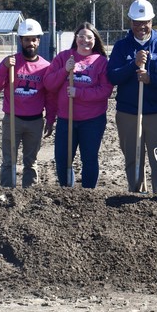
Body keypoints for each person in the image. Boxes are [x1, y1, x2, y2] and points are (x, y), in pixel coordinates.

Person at [107, 0, 157, 194]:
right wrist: (132, 65)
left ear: (152, 21)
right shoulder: (122, 47)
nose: (141, 26)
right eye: (137, 22)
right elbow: (112, 75)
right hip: (129, 112)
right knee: (133, 157)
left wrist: (151, 79)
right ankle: (135, 193)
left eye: (145, 21)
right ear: (130, 22)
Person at [43, 22, 113, 188]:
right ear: (76, 38)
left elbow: (105, 91)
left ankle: (88, 195)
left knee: (89, 158)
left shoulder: (101, 62)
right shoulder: (63, 57)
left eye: (89, 37)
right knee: (62, 159)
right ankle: (67, 192)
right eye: (81, 36)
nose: (85, 40)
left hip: (92, 120)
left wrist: (79, 93)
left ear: (95, 40)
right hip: (66, 119)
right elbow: (49, 84)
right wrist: (64, 71)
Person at [0, 18, 55, 188]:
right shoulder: (10, 63)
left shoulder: (45, 66)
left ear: (38, 40)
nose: (30, 43)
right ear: (21, 41)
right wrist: (3, 66)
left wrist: (50, 118)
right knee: (8, 161)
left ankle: (29, 194)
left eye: (34, 39)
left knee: (31, 162)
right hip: (12, 119)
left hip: (35, 121)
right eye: (27, 39)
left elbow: (49, 95)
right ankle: (6, 193)